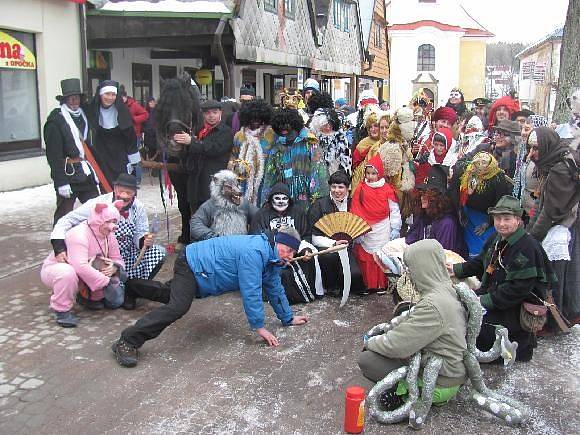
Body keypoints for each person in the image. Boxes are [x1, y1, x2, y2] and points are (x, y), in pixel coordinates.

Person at [111, 227, 309, 367]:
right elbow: (251, 291)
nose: (290, 256)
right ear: (277, 241)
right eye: (288, 250)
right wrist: (259, 327)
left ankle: (132, 286)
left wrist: (288, 317)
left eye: (293, 252)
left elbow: (275, 287)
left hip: (203, 271)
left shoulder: (273, 259)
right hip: (192, 263)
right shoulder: (255, 252)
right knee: (178, 306)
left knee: (169, 294)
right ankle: (127, 340)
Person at [359, 239, 467, 402]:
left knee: (367, 360)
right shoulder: (446, 290)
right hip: (449, 368)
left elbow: (398, 345)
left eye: (410, 269)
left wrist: (370, 342)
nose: (408, 274)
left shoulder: (433, 305)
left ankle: (407, 392)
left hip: (440, 380)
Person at [451, 195, 555, 361]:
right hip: (496, 298)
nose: (501, 223)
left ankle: (518, 349)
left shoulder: (526, 247)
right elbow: (481, 261)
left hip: (515, 309)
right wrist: (456, 269)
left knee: (472, 329)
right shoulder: (496, 238)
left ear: (518, 220)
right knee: (460, 314)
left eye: (507, 219)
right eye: (497, 218)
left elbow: (517, 290)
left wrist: (482, 301)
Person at [51, 174, 166, 284]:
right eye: (121, 191)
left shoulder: (138, 207)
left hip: (127, 255)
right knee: (113, 299)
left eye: (129, 192)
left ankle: (134, 287)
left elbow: (140, 232)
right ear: (115, 189)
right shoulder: (98, 204)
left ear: (134, 193)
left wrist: (143, 241)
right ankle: (91, 291)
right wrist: (59, 247)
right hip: (102, 255)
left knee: (159, 252)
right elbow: (65, 221)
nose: (124, 196)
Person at [41, 201, 126, 327]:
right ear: (97, 219)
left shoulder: (109, 235)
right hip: (58, 269)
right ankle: (62, 310)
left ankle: (87, 297)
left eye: (114, 222)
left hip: (88, 273)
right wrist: (106, 282)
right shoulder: (78, 234)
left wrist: (114, 268)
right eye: (108, 221)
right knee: (67, 273)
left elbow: (117, 258)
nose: (112, 226)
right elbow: (80, 266)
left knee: (115, 303)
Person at [527, 127, 580, 322]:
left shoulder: (559, 169)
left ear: (547, 146)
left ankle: (557, 319)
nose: (531, 154)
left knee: (558, 277)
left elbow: (549, 211)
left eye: (535, 149)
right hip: (560, 225)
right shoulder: (551, 163)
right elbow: (541, 205)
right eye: (529, 148)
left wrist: (531, 239)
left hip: (565, 229)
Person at [250, 183, 320, 303]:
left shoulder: (298, 212)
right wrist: (276, 256)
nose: (281, 202)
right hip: (271, 258)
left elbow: (306, 234)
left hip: (296, 255)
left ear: (289, 199)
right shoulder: (260, 215)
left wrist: (304, 250)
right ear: (271, 199)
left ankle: (305, 293)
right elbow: (255, 241)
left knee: (310, 260)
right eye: (277, 198)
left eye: (284, 198)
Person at [44, 78, 99, 225]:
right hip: (68, 175)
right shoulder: (55, 121)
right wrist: (61, 182)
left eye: (77, 97)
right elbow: (53, 156)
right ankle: (59, 246)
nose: (74, 101)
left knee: (97, 210)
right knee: (63, 217)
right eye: (71, 98)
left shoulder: (84, 116)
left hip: (85, 174)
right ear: (65, 100)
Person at [308, 171, 365, 297]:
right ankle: (331, 286)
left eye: (341, 187)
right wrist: (333, 243)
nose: (337, 190)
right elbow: (313, 236)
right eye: (333, 186)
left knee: (356, 276)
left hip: (348, 249)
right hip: (328, 249)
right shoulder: (319, 205)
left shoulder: (353, 204)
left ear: (348, 188)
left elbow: (360, 226)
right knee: (328, 257)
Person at [350, 155, 402, 293]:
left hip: (383, 227)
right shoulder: (360, 189)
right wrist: (357, 231)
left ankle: (382, 284)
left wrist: (395, 227)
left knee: (381, 256)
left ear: (379, 173)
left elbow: (394, 209)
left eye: (373, 173)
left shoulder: (387, 189)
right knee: (366, 257)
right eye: (368, 173)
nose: (370, 176)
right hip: (366, 229)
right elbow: (355, 209)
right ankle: (368, 284)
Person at [175, 100, 234, 214]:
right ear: (203, 115)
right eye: (207, 113)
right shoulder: (199, 130)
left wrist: (192, 142)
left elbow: (213, 149)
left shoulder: (226, 132)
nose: (211, 116)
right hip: (195, 185)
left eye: (214, 112)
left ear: (220, 113)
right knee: (197, 220)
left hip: (212, 186)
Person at [262, 108, 328, 209]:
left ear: (294, 124)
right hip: (284, 198)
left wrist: (319, 199)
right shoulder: (277, 149)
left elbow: (319, 171)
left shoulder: (309, 143)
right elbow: (270, 176)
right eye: (280, 126)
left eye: (287, 125)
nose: (283, 128)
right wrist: (266, 201)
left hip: (308, 196)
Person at [450, 152, 512, 257]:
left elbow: (501, 203)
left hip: (488, 216)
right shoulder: (466, 171)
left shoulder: (497, 177)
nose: (478, 172)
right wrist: (459, 210)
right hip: (468, 213)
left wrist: (489, 222)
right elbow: (454, 190)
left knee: (483, 250)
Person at [84, 80, 141, 188]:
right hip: (101, 156)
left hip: (120, 157)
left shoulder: (122, 112)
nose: (110, 98)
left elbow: (130, 137)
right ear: (100, 94)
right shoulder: (92, 110)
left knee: (122, 187)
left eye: (113, 94)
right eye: (107, 94)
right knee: (104, 186)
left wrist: (133, 161)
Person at [406, 165, 467, 257]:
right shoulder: (424, 217)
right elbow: (410, 239)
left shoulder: (447, 223)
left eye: (427, 195)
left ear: (437, 198)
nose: (422, 198)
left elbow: (443, 256)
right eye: (422, 194)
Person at [228, 98, 275, 206]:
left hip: (266, 181)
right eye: (252, 118)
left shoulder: (272, 135)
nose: (255, 120)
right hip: (244, 181)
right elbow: (233, 157)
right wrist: (237, 167)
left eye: (258, 117)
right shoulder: (239, 136)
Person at [189, 169, 257, 242]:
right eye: (229, 187)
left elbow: (259, 216)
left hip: (240, 246)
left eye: (236, 185)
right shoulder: (210, 205)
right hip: (218, 247)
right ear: (219, 187)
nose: (236, 190)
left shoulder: (243, 204)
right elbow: (195, 223)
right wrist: (212, 236)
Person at [309, 107, 352, 177]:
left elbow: (345, 160)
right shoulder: (313, 137)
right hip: (317, 175)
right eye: (325, 125)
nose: (328, 127)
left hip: (335, 174)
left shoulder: (340, 137)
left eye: (331, 124)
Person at [351, 106, 383, 192]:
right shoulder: (363, 144)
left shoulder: (386, 142)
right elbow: (354, 165)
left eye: (376, 126)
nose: (373, 129)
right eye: (370, 127)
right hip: (363, 181)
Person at [142, 96, 158, 163]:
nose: (152, 103)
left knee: (157, 155)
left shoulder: (158, 111)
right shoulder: (145, 111)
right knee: (149, 153)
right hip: (148, 136)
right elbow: (143, 123)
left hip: (156, 137)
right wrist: (145, 130)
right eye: (150, 102)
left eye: (153, 101)